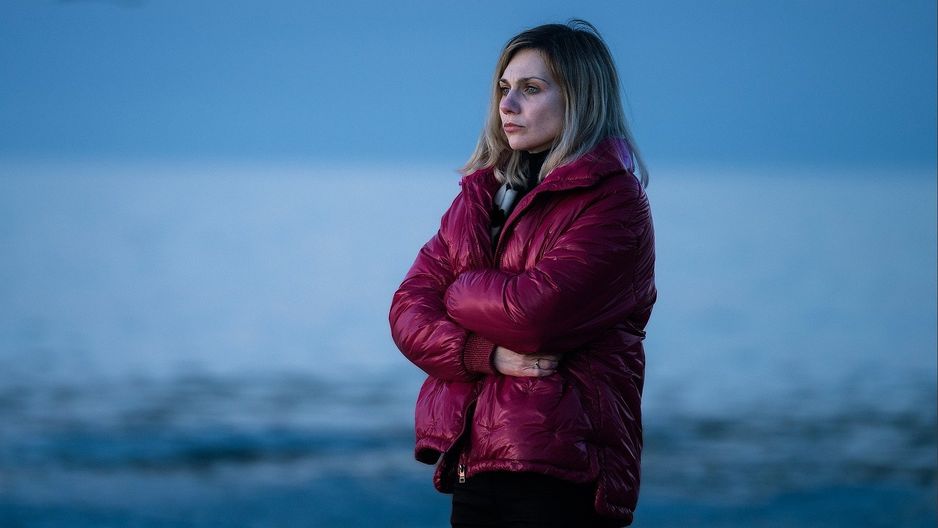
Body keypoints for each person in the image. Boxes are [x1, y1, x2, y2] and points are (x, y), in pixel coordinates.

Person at [389, 19, 656, 528]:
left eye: (531, 89)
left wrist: (458, 289)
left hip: (562, 472)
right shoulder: (480, 196)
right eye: (504, 88)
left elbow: (533, 316)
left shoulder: (614, 202)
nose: (507, 105)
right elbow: (406, 312)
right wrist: (482, 354)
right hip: (475, 463)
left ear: (580, 98)